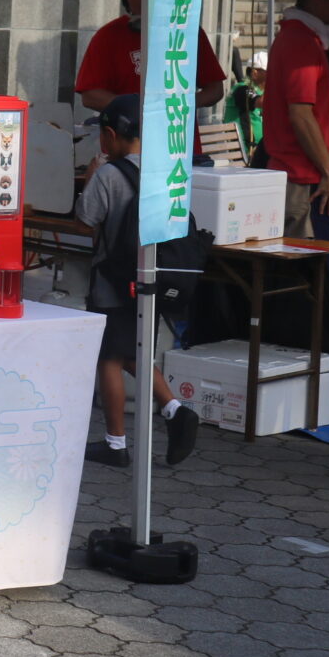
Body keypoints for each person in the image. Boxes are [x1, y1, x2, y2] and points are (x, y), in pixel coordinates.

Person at [76, 95, 201, 469]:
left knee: (108, 358)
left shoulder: (108, 175)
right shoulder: (167, 172)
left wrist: (90, 177)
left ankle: (115, 443)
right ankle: (175, 410)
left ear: (110, 135)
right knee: (132, 352)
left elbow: (84, 221)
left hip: (112, 281)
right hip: (151, 277)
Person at [263, 0, 329, 238]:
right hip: (303, 178)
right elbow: (300, 114)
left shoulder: (305, 37)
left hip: (307, 175)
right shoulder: (300, 41)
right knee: (307, 258)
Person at [75, 0, 226, 114]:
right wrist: (136, 108)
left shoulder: (188, 31)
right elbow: (90, 95)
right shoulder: (108, 36)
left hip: (177, 128)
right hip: (131, 129)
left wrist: (178, 105)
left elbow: (215, 90)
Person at [225, 49, 266, 162]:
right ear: (255, 72)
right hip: (246, 151)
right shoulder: (243, 89)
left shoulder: (260, 91)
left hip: (259, 150)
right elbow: (261, 102)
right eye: (268, 72)